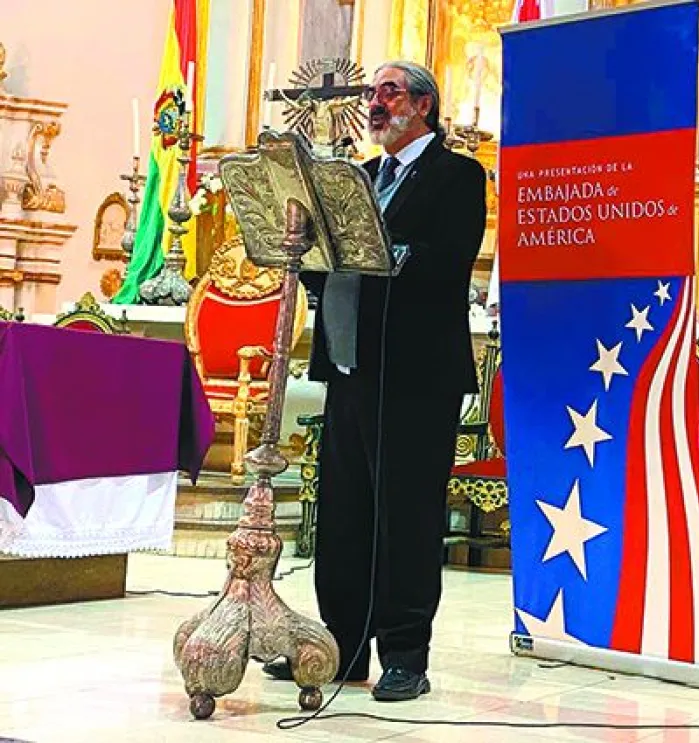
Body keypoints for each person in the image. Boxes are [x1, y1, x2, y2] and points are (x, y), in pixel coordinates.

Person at [263, 61, 487, 702]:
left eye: (388, 91)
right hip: (352, 366)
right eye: (372, 93)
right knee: (345, 513)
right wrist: (307, 254)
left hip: (415, 375)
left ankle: (405, 654)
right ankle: (343, 649)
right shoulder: (358, 179)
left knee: (407, 516)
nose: (374, 103)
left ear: (422, 104)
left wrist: (384, 256)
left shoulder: (457, 175)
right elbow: (328, 270)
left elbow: (445, 265)